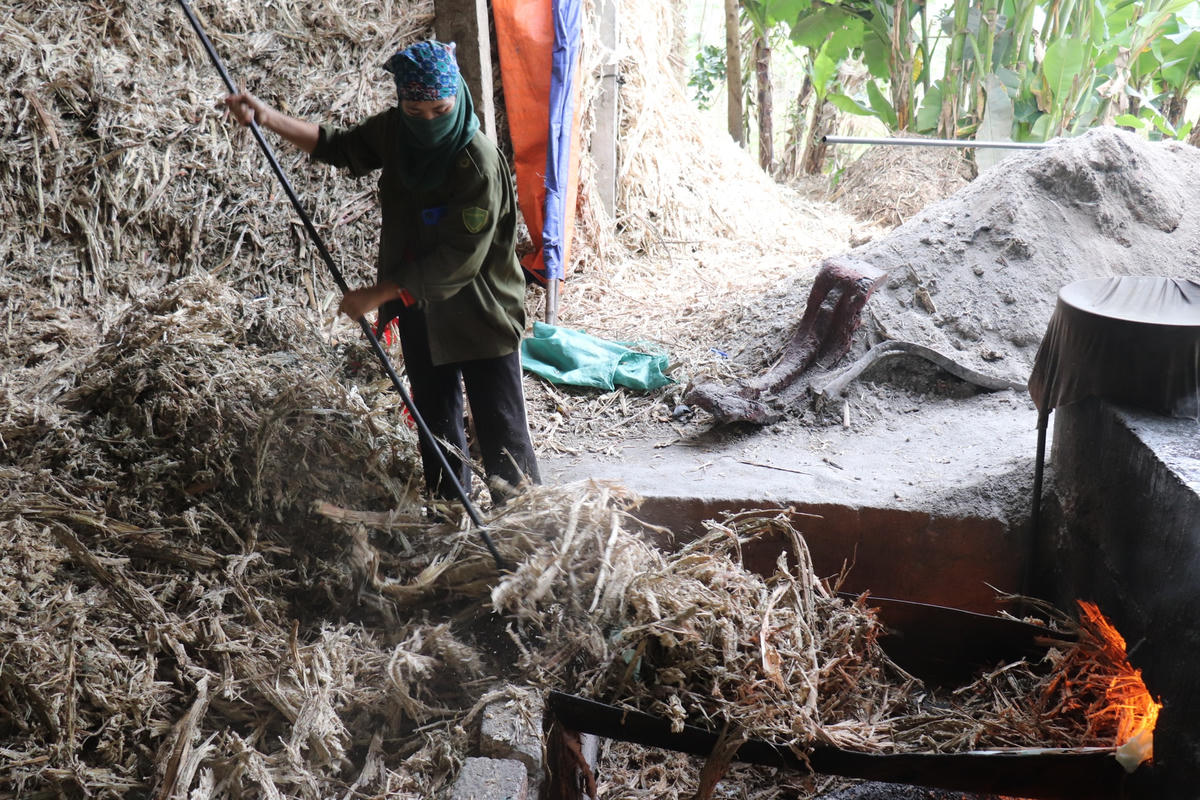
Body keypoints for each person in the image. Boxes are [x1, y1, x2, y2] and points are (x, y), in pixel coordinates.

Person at [224, 40, 540, 503]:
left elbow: (460, 257)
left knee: (501, 426)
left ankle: (525, 523)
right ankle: (448, 513)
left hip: (480, 311)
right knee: (435, 423)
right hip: (421, 312)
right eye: (416, 109)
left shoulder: (477, 162)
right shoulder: (397, 132)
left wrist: (380, 293)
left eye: (440, 109)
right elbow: (342, 146)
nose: (429, 120)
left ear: (457, 98)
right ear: (401, 103)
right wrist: (267, 117)